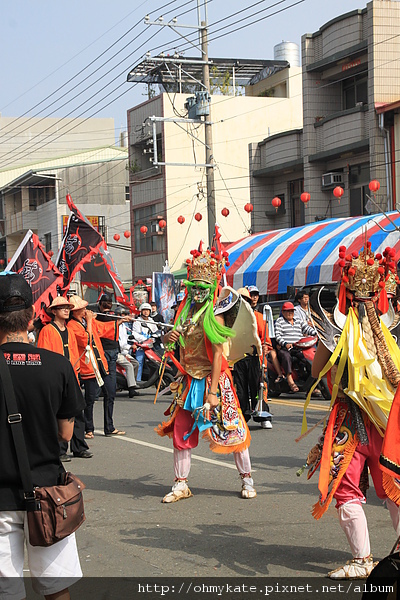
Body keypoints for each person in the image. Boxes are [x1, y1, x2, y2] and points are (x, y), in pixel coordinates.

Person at [302, 244, 400, 579]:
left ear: (345, 291)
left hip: (350, 422)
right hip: (389, 424)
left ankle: (363, 560)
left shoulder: (336, 331)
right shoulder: (394, 330)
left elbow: (316, 373)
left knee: (345, 487)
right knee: (395, 488)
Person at [0, 273, 84, 600]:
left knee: (5, 591)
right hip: (49, 495)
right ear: (33, 316)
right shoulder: (58, 366)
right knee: (56, 588)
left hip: (1, 499)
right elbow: (66, 434)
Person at [156, 236, 256, 502]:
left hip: (214, 380)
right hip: (188, 380)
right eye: (194, 287)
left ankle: (247, 479)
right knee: (181, 429)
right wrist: (169, 340)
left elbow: (217, 356)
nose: (197, 292)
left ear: (211, 287)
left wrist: (213, 394)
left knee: (232, 428)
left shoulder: (216, 314)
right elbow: (176, 347)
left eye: (203, 287)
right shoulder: (183, 312)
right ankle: (181, 484)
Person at [37, 296, 92, 460]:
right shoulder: (47, 330)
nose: (67, 310)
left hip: (72, 375)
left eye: (68, 307)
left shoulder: (69, 330)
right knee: (58, 413)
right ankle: (60, 450)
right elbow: (44, 356)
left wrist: (77, 371)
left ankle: (79, 446)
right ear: (54, 311)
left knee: (77, 411)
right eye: (62, 308)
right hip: (55, 378)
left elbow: (77, 349)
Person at [67, 295, 129, 438]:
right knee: (90, 398)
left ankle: (109, 426)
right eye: (82, 308)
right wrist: (89, 321)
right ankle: (89, 428)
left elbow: (103, 328)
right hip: (88, 365)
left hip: (100, 362)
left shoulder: (87, 321)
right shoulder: (72, 325)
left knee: (110, 393)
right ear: (75, 311)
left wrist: (120, 321)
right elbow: (85, 340)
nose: (85, 310)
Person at [233, 288, 273, 429]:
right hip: (238, 359)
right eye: (240, 300)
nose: (243, 302)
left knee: (259, 387)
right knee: (240, 390)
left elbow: (266, 339)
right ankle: (243, 416)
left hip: (255, 357)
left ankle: (263, 414)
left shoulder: (258, 317)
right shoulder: (231, 319)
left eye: (246, 300)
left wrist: (265, 347)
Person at [275, 301, 316, 393]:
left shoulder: (298, 320)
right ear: (283, 312)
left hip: (299, 347)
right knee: (286, 357)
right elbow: (278, 336)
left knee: (306, 359)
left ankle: (311, 384)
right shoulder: (280, 321)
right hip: (286, 348)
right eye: (288, 311)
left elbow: (308, 329)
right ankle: (290, 381)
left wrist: (317, 333)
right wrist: (285, 343)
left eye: (292, 311)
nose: (290, 313)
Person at [115, 306, 140, 398]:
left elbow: (133, 333)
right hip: (117, 353)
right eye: (124, 315)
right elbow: (120, 343)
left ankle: (131, 382)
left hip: (124, 352)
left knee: (136, 363)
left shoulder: (124, 326)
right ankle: (131, 389)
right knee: (129, 365)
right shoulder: (115, 326)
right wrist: (130, 346)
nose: (126, 316)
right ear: (119, 315)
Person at [131, 303, 159, 382]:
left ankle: (153, 380)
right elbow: (135, 334)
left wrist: (153, 339)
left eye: (147, 310)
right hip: (141, 345)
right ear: (141, 311)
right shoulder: (137, 321)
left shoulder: (151, 321)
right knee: (139, 362)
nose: (146, 312)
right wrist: (145, 339)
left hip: (150, 345)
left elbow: (155, 331)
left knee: (154, 362)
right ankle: (137, 381)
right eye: (144, 310)